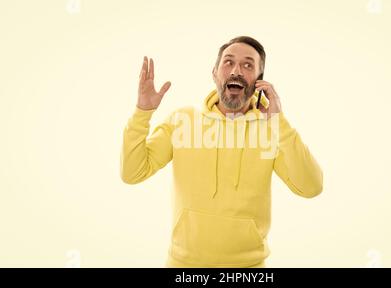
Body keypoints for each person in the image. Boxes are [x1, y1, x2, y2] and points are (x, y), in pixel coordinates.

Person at [120, 36, 323, 268]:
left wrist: (279, 123)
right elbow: (132, 173)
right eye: (228, 62)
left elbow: (311, 187)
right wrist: (142, 113)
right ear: (215, 73)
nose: (236, 70)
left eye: (248, 65)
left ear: (259, 81)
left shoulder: (271, 130)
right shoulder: (182, 121)